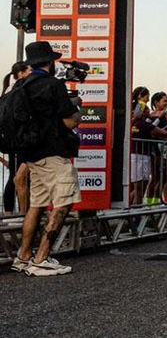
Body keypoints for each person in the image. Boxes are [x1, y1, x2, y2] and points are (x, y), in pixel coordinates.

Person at [10, 41, 81, 276]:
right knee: (64, 202)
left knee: (37, 205)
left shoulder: (21, 85)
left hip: (32, 154)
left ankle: (23, 256)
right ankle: (41, 258)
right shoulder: (53, 85)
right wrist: (77, 110)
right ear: (50, 62)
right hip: (53, 153)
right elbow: (69, 122)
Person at [3, 61, 31, 215]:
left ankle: (13, 213)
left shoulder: (9, 91)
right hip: (20, 141)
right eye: (29, 70)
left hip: (13, 141)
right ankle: (21, 213)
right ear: (21, 73)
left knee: (16, 177)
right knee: (19, 178)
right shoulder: (17, 91)